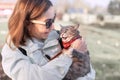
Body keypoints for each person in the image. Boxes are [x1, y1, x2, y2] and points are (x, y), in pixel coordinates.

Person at [1, 0, 95, 80]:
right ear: (27, 23)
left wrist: (81, 56)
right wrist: (68, 56)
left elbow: (89, 74)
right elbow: (35, 77)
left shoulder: (59, 37)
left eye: (53, 20)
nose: (53, 26)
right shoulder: (13, 51)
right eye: (48, 22)